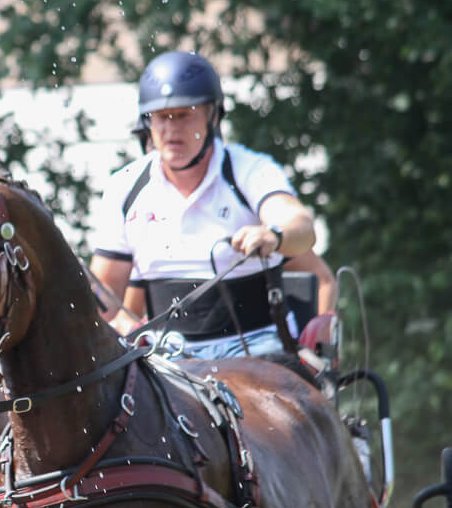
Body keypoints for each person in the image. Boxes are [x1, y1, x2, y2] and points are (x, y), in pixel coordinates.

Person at [89, 50, 330, 359]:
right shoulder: (125, 186)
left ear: (212, 115)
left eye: (184, 114)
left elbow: (303, 229)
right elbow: (105, 293)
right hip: (166, 357)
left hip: (261, 349)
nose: (171, 129)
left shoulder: (249, 170)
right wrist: (116, 318)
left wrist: (274, 235)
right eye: (161, 117)